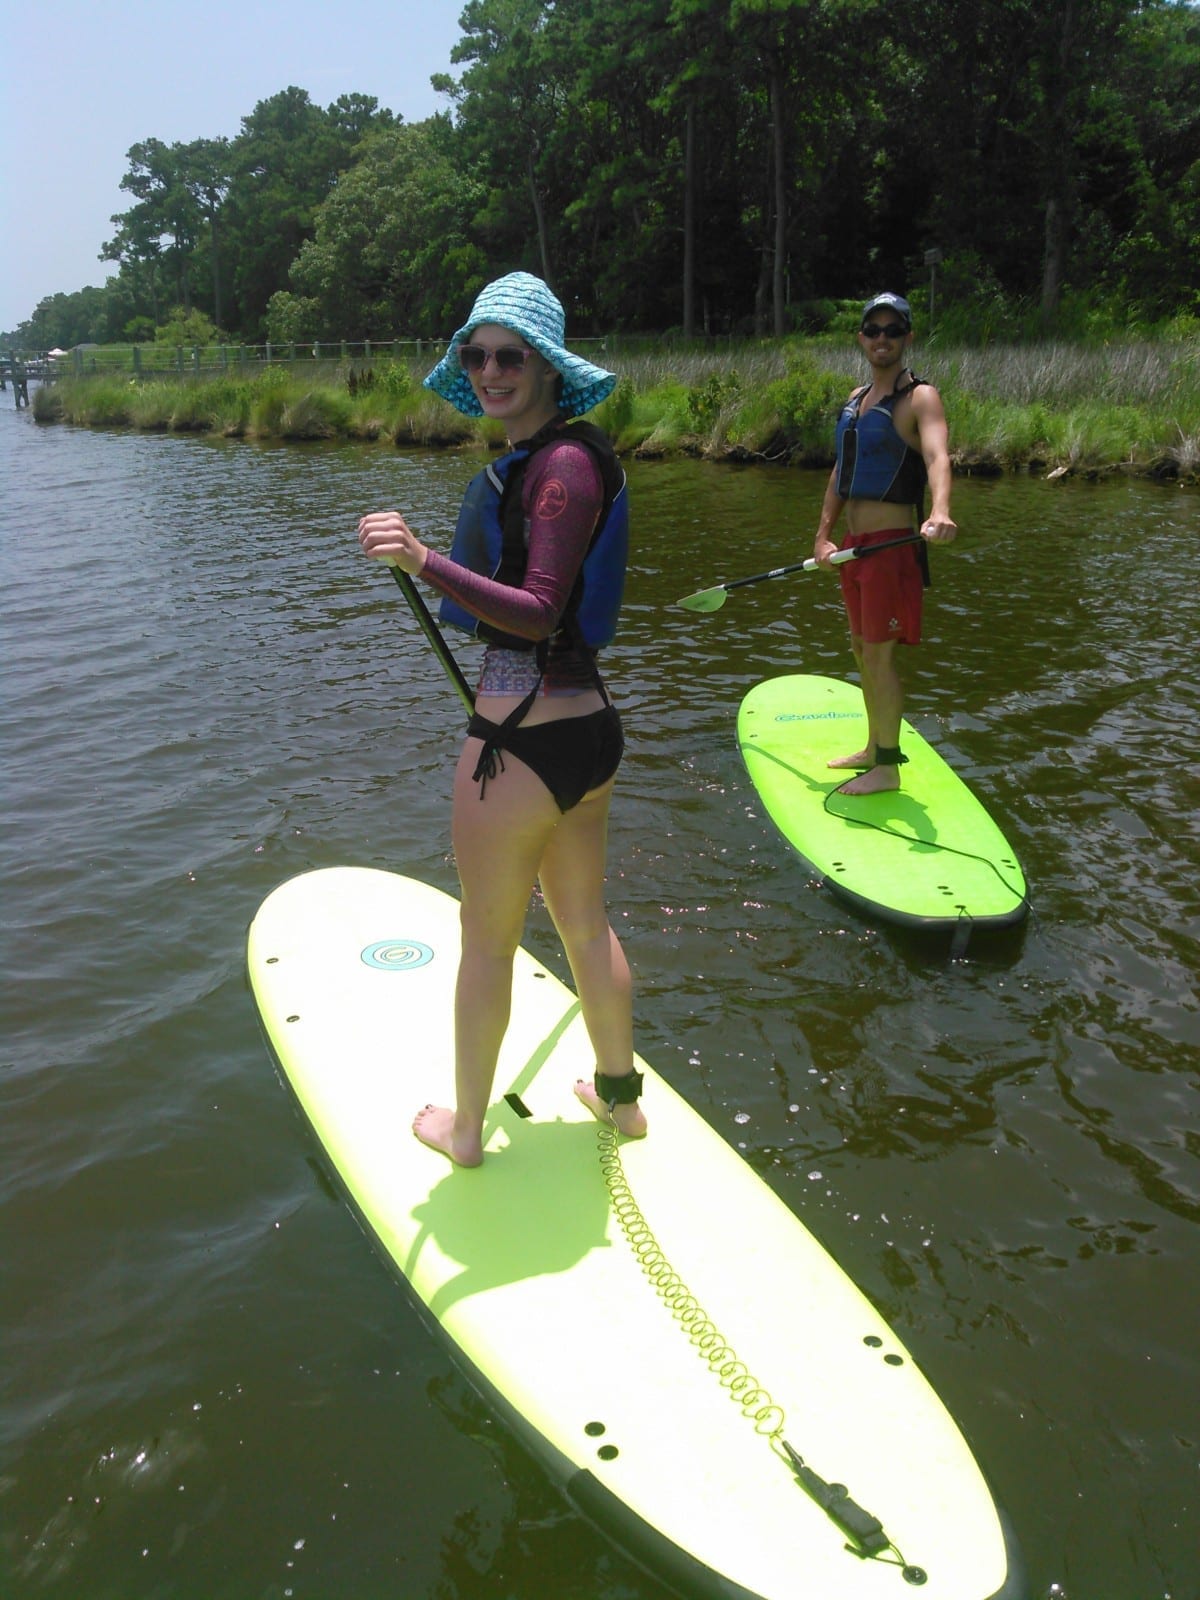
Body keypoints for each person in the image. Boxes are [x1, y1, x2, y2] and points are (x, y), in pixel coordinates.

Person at [357, 272, 645, 1166]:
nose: (489, 370)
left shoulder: (559, 467)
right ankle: (620, 1098)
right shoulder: (559, 459)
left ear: (548, 367)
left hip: (520, 743)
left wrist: (424, 559)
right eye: (475, 355)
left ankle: (468, 1132)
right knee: (584, 924)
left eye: (509, 355)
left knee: (485, 943)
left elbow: (538, 609)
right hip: (585, 732)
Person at [812, 292, 957, 795]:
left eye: (893, 331)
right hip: (854, 546)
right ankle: (874, 747)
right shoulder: (855, 401)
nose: (882, 339)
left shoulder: (920, 398)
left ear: (907, 338)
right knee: (859, 649)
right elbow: (841, 471)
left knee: (879, 657)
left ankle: (888, 768)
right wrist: (823, 534)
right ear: (861, 338)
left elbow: (939, 456)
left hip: (891, 548)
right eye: (873, 330)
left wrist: (940, 511)